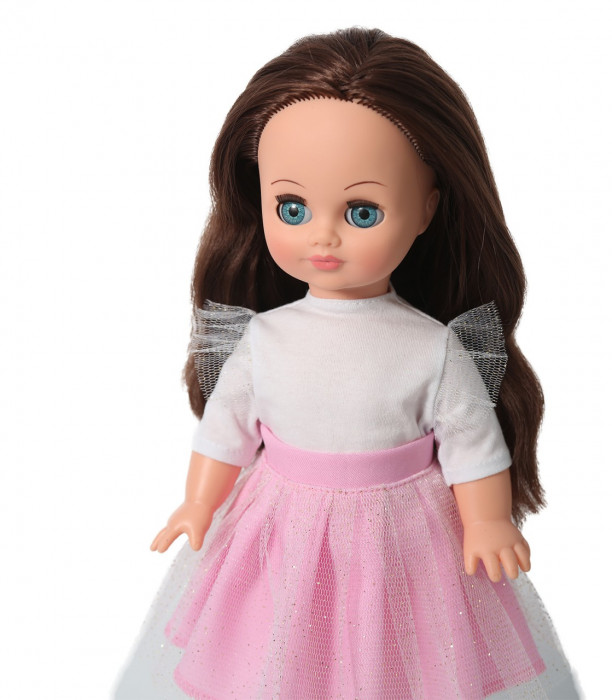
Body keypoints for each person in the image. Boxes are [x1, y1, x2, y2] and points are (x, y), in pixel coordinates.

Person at [115, 27, 579, 699]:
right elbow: (225, 430)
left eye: (362, 211)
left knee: (398, 659)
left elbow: (472, 441)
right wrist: (198, 503)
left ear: (427, 208)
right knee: (278, 649)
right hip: (282, 526)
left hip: (404, 535)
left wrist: (485, 520)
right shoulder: (264, 338)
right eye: (292, 207)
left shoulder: (432, 346)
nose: (323, 235)